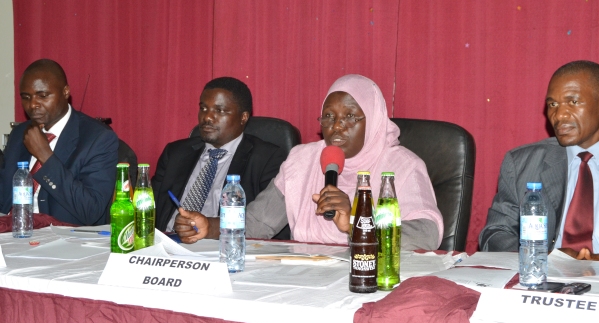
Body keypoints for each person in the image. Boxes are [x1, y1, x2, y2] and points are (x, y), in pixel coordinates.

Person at [175, 74, 444, 251]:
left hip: (372, 278)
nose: (337, 127)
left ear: (373, 120)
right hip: (308, 279)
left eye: (350, 116)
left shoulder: (402, 166)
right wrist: (209, 226)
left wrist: (356, 222)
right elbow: (258, 223)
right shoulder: (302, 160)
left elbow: (426, 235)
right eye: (328, 116)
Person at [479, 60, 599, 264]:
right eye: (553, 104)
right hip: (546, 278)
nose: (559, 115)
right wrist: (540, 257)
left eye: (573, 102)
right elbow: (495, 234)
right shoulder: (521, 163)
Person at [152, 77, 286, 232]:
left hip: (222, 245)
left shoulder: (267, 158)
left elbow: (266, 224)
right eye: (203, 108)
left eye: (219, 110)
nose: (207, 117)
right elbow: (152, 209)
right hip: (168, 245)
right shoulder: (175, 153)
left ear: (243, 117)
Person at [0, 59, 118, 225]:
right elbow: (4, 197)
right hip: (12, 234)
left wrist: (45, 157)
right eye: (26, 97)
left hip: (65, 240)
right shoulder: (20, 133)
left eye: (43, 96)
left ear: (65, 92)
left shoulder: (98, 138)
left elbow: (91, 211)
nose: (33, 105)